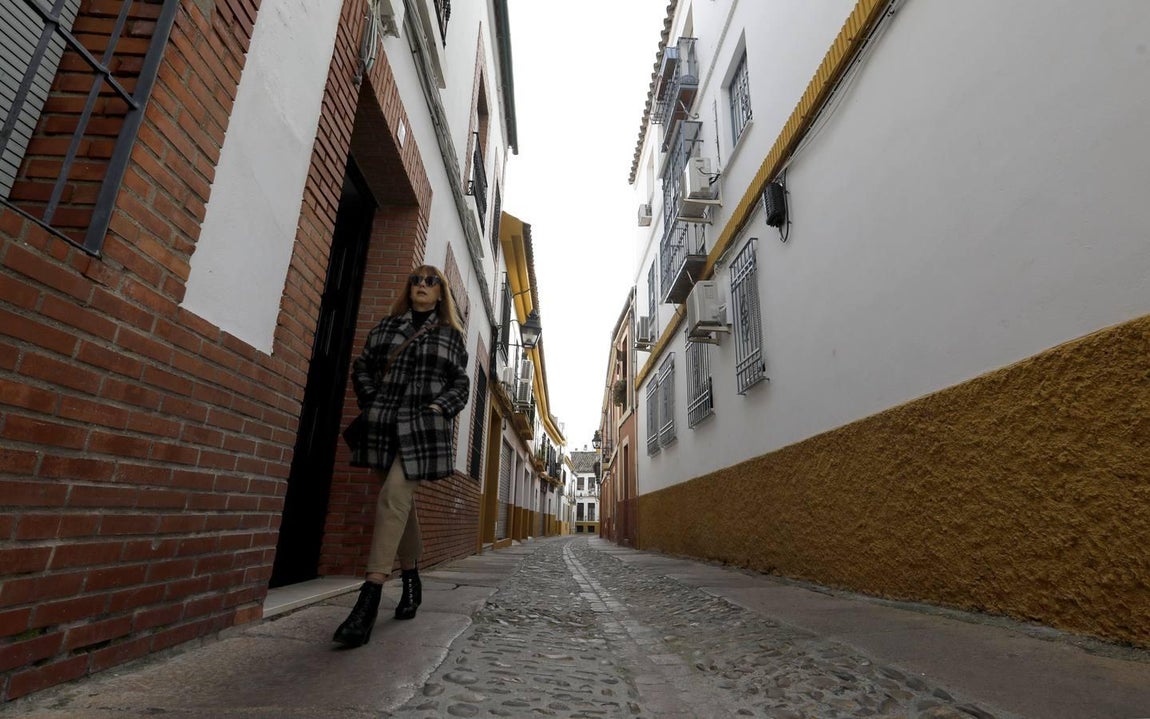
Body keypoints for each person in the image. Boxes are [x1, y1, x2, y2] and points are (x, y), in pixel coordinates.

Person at [333, 264, 470, 648]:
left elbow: (461, 382)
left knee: (394, 496)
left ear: (441, 293)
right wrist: (371, 400)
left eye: (431, 282)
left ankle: (369, 597)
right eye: (415, 280)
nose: (422, 286)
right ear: (408, 288)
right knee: (400, 507)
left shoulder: (450, 336)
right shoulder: (386, 328)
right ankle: (411, 580)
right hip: (383, 425)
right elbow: (362, 366)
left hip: (420, 429)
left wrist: (440, 408)